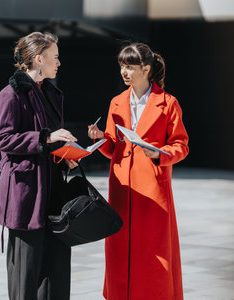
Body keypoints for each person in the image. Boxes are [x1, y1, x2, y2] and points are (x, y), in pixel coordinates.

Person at [88, 42, 189, 300]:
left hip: (153, 189)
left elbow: (181, 146)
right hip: (122, 188)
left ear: (146, 69)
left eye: (130, 67)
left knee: (154, 250)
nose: (124, 71)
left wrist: (159, 153)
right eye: (122, 66)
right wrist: (100, 138)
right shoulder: (117, 102)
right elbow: (113, 148)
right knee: (119, 247)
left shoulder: (168, 103)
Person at [0, 32, 78, 300]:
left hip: (54, 196)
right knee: (26, 276)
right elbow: (3, 139)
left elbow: (50, 143)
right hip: (27, 195)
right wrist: (47, 137)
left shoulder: (50, 93)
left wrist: (67, 155)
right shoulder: (11, 94)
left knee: (56, 272)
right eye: (55, 57)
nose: (59, 62)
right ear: (39, 59)